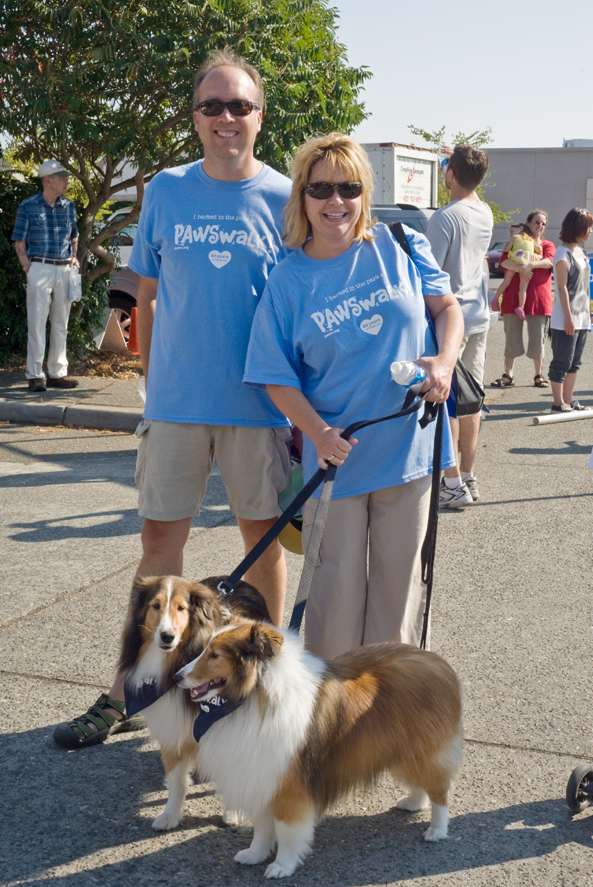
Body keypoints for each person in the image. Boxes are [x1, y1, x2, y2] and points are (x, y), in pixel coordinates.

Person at [53, 48, 292, 748]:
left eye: (238, 106)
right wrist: (155, 387)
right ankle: (133, 687)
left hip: (259, 405)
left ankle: (259, 682)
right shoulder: (166, 190)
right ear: (194, 118)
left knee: (264, 545)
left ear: (259, 115)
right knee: (160, 548)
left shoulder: (286, 196)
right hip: (177, 406)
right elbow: (147, 296)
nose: (225, 118)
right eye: (211, 106)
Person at [244, 133, 463, 659]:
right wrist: (317, 432)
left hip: (410, 450)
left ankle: (393, 725)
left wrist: (445, 361)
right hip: (335, 463)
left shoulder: (403, 244)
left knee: (399, 600)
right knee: (334, 610)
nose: (336, 201)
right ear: (302, 196)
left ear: (365, 194)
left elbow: (447, 309)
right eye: (321, 188)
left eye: (349, 186)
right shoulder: (288, 280)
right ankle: (334, 728)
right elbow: (275, 375)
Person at [425, 144, 494, 508]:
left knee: (446, 400)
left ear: (449, 175)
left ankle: (451, 484)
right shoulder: (484, 212)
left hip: (452, 318)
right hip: (480, 314)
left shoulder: (445, 218)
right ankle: (467, 475)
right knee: (471, 400)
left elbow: (430, 274)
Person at [12, 160, 80, 392]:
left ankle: (58, 373)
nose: (66, 181)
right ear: (48, 179)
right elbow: (19, 242)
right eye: (62, 177)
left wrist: (74, 257)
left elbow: (74, 236)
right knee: (37, 322)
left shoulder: (69, 206)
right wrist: (27, 268)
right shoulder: (28, 206)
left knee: (61, 323)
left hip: (63, 269)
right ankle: (35, 374)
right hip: (39, 267)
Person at [490, 210, 555, 390]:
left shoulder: (547, 244)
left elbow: (549, 261)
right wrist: (521, 268)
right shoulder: (517, 241)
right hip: (512, 298)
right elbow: (504, 261)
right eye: (537, 222)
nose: (540, 226)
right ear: (528, 222)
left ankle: (538, 375)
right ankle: (508, 375)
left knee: (537, 339)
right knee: (511, 337)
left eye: (543, 223)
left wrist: (530, 265)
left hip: (538, 300)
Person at [548, 207, 593, 412]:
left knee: (575, 362)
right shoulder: (562, 253)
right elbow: (562, 287)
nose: (591, 231)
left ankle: (568, 400)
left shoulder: (581, 253)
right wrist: (568, 317)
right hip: (565, 318)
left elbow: (585, 287)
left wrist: (589, 315)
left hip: (582, 317)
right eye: (588, 227)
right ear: (577, 228)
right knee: (562, 361)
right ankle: (558, 403)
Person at [493, 223, 541, 318]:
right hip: (526, 263)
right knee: (523, 288)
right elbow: (538, 250)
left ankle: (495, 299)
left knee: (506, 281)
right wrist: (537, 242)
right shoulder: (531, 239)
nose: (511, 234)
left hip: (515, 260)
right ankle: (520, 307)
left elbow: (507, 248)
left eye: (512, 231)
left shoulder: (515, 237)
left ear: (520, 228)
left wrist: (504, 249)